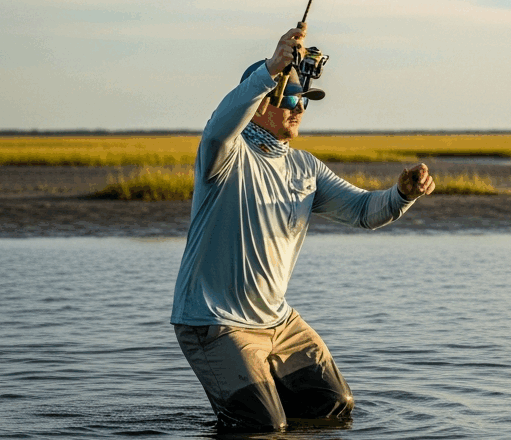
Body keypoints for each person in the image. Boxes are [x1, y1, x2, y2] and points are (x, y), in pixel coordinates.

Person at [170, 26, 434, 431]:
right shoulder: (224, 155)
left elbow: (364, 210)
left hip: (278, 323)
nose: (301, 109)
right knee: (261, 425)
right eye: (292, 98)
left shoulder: (305, 167)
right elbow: (219, 126)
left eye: (306, 100)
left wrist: (402, 194)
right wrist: (270, 69)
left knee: (334, 405)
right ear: (261, 103)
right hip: (215, 323)